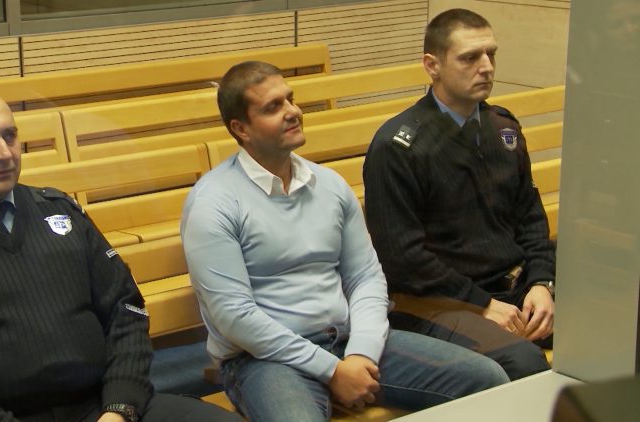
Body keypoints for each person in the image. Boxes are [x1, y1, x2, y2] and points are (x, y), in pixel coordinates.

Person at [180, 61, 509, 422]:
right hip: (264, 359)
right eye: (273, 107)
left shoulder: (330, 185)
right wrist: (332, 370)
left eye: (290, 99)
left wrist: (361, 355)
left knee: (488, 380)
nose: (293, 112)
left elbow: (365, 277)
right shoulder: (214, 202)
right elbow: (234, 317)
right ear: (240, 129)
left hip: (347, 340)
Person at [0, 83, 241, 422]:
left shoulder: (57, 209)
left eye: (9, 136)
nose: (5, 153)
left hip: (100, 407)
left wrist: (120, 407)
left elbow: (126, 310)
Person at [363, 8, 555, 381]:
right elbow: (404, 260)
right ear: (432, 65)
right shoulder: (397, 148)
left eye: (491, 54)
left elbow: (530, 217)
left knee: (619, 322)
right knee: (524, 362)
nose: (486, 67)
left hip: (515, 289)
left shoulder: (502, 129)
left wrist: (541, 283)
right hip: (440, 302)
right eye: (469, 58)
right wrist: (482, 304)